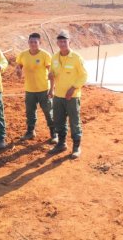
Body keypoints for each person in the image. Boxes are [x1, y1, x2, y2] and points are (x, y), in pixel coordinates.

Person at [48, 30, 87, 159]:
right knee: (59, 120)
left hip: (72, 96)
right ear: (57, 43)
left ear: (69, 42)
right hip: (58, 96)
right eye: (60, 41)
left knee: (74, 122)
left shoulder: (76, 58)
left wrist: (73, 88)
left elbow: (84, 76)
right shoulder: (54, 57)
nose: (63, 43)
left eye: (65, 41)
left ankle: (76, 147)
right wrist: (51, 88)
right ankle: (61, 143)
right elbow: (52, 75)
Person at [16, 33, 57, 143]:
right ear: (28, 42)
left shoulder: (45, 55)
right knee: (30, 112)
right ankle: (30, 132)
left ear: (40, 43)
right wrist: (18, 71)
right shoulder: (23, 55)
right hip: (29, 90)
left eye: (35, 42)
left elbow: (51, 73)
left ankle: (54, 133)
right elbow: (19, 66)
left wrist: (52, 89)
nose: (33, 44)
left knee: (48, 112)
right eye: (31, 42)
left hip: (43, 89)